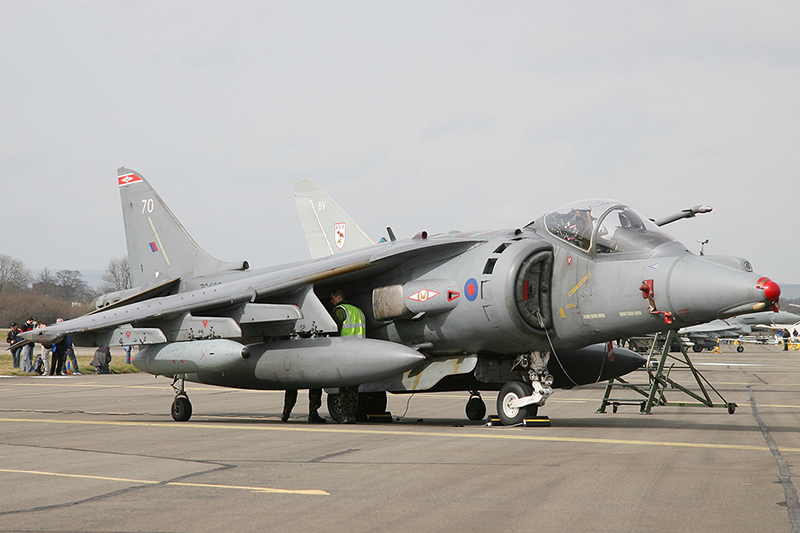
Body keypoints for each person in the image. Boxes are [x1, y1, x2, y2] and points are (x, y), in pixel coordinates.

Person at [331, 288, 366, 424]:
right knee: (354, 388)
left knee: (345, 387)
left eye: (332, 297)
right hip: (359, 351)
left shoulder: (340, 310)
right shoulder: (359, 311)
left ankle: (347, 416)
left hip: (345, 352)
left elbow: (335, 329)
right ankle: (352, 415)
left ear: (338, 297)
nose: (331, 301)